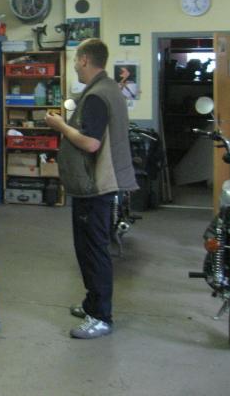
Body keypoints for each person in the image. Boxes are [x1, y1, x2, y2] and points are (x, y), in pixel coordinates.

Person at [45, 39, 137, 339]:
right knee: (88, 249)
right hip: (97, 183)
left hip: (96, 185)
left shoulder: (97, 95)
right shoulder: (109, 88)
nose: (74, 65)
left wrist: (61, 126)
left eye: (75, 60)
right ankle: (92, 304)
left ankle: (100, 317)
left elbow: (91, 143)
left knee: (93, 251)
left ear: (85, 60)